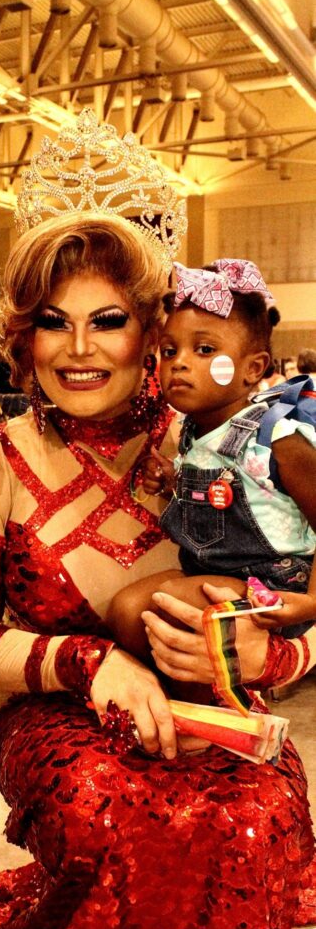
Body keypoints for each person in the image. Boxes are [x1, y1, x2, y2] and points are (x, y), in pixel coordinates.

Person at [0, 210, 316, 929]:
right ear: (25, 337)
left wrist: (273, 658)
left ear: (149, 333)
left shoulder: (211, 444)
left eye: (106, 322)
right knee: (113, 814)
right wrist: (88, 664)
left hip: (207, 707)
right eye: (55, 323)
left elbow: (294, 588)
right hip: (47, 716)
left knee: (258, 810)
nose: (79, 350)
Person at [109, 259, 316, 662]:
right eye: (169, 351)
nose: (180, 362)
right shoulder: (193, 429)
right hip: (215, 577)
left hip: (277, 588)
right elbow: (223, 496)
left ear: (253, 369)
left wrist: (312, 602)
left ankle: (209, 705)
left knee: (159, 607)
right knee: (126, 611)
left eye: (205, 350)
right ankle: (197, 702)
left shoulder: (278, 438)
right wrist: (173, 481)